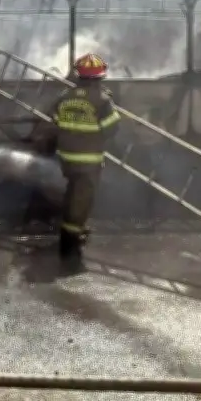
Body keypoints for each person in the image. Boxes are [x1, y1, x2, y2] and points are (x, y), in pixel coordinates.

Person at [30, 53, 121, 260]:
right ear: (100, 77)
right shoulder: (103, 100)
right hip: (89, 159)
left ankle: (74, 228)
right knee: (83, 198)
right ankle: (70, 241)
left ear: (78, 75)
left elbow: (53, 123)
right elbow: (112, 128)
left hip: (67, 158)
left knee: (73, 192)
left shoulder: (64, 97)